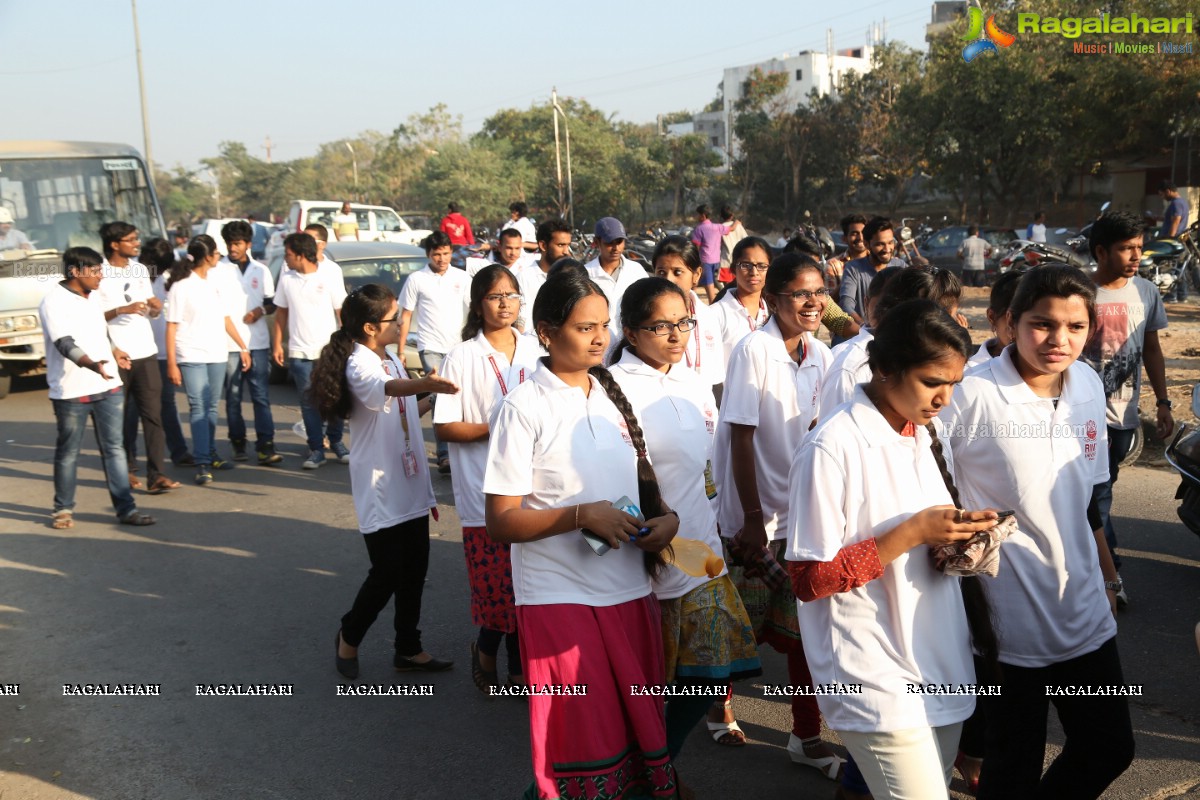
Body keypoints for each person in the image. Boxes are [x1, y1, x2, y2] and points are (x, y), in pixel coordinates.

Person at [483, 269, 682, 800]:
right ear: (546, 331)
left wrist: (668, 523)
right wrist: (578, 516)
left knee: (634, 733)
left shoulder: (614, 396)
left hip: (630, 591)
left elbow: (646, 492)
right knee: (579, 741)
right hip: (559, 598)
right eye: (583, 327)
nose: (599, 337)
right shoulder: (522, 407)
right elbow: (500, 520)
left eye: (603, 326)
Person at [788, 298, 996, 799]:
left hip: (937, 657)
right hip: (871, 668)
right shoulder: (831, 446)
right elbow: (808, 579)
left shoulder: (924, 433)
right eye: (931, 382)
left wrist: (958, 536)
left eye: (953, 384)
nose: (944, 398)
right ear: (883, 369)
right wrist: (912, 532)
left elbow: (921, 539)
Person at [943, 266, 1135, 799]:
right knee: (1012, 766)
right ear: (1010, 322)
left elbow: (1088, 504)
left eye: (1075, 326)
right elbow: (923, 479)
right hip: (1008, 620)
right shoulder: (971, 392)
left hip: (1083, 611)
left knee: (1108, 746)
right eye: (1042, 324)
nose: (1059, 339)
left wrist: (1109, 579)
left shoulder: (1089, 385)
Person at [608, 277, 762, 767]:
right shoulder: (610, 388)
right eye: (662, 326)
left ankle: (659, 766)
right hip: (645, 564)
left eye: (684, 323)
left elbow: (708, 469)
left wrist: (728, 524)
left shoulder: (693, 381)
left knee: (710, 676)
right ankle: (645, 775)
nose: (677, 335)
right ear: (630, 333)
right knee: (645, 689)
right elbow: (606, 477)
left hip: (702, 553)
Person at [713, 252, 842, 777]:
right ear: (772, 300)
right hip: (754, 515)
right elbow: (740, 435)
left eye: (819, 293)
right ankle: (716, 707)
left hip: (802, 517)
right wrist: (749, 516)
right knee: (735, 624)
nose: (812, 303)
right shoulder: (753, 350)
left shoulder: (823, 354)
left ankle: (805, 734)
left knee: (804, 631)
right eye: (799, 294)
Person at [310, 284, 460, 680]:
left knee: (415, 569)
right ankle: (350, 633)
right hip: (380, 482)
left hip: (408, 476)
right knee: (388, 571)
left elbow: (406, 406)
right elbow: (389, 391)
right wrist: (426, 384)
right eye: (395, 318)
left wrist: (438, 398)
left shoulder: (390, 355)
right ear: (371, 327)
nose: (401, 323)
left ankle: (408, 648)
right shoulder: (359, 363)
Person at [433, 265, 542, 693]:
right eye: (495, 296)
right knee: (498, 590)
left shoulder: (535, 349)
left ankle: (512, 663)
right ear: (479, 304)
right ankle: (489, 651)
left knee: (526, 586)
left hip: (533, 492)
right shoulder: (462, 357)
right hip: (484, 493)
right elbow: (444, 427)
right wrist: (499, 426)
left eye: (511, 295)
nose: (505, 304)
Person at [1081, 210, 1172, 608]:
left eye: (1139, 247)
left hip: (1123, 416)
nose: (1136, 256)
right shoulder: (1080, 291)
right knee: (1096, 494)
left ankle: (1093, 558)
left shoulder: (1147, 292)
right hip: (1080, 414)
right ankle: (1108, 572)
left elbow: (1152, 350)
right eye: (1126, 248)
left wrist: (1164, 402)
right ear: (1101, 250)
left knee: (1102, 491)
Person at [39, 246, 156, 529]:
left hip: (109, 385)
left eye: (101, 270)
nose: (101, 276)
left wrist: (115, 351)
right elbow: (64, 343)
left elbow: (101, 332)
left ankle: (126, 510)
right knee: (69, 452)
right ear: (75, 272)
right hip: (71, 390)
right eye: (95, 271)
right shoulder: (53, 302)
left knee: (114, 449)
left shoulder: (91, 297)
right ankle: (63, 510)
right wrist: (92, 364)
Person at [94, 221, 177, 495]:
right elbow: (91, 317)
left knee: (153, 416)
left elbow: (148, 310)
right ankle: (125, 470)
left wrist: (154, 308)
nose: (136, 243)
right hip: (115, 354)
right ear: (115, 244)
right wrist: (120, 309)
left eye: (136, 238)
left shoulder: (140, 270)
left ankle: (157, 475)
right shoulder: (98, 273)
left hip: (145, 352)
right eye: (130, 240)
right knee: (119, 418)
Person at [165, 235, 252, 485]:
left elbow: (225, 319)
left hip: (217, 353)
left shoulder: (212, 284)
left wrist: (242, 346)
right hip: (191, 354)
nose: (219, 257)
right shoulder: (181, 287)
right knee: (198, 407)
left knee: (211, 406)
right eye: (216, 253)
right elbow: (171, 327)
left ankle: (211, 454)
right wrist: (172, 363)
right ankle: (202, 462)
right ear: (207, 257)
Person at [272, 232, 349, 470]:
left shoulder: (328, 277)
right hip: (299, 352)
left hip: (329, 352)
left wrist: (348, 345)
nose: (286, 259)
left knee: (335, 399)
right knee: (308, 403)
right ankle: (316, 448)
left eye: (288, 255)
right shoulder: (287, 279)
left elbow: (341, 313)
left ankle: (336, 441)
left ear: (302, 255)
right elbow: (281, 313)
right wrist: (277, 344)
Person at [398, 230, 470, 474]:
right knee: (442, 395)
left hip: (458, 347)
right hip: (430, 347)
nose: (442, 258)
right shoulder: (416, 279)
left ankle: (461, 449)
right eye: (437, 254)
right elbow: (405, 315)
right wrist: (400, 348)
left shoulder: (462, 277)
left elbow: (475, 310)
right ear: (428, 255)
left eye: (446, 253)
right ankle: (444, 454)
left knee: (459, 396)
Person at [215, 220, 281, 465]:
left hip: (258, 342)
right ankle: (238, 443)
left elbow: (272, 302)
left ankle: (266, 445)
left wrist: (260, 312)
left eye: (238, 243)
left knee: (261, 396)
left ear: (248, 244)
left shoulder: (260, 270)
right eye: (230, 243)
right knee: (233, 398)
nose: (233, 248)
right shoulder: (217, 270)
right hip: (230, 344)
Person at [138, 238, 194, 466]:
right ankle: (128, 458)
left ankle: (178, 451)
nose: (159, 272)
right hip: (137, 352)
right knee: (135, 408)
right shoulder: (131, 277)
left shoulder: (167, 279)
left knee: (167, 404)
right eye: (157, 267)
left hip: (163, 352)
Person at [651, 236, 725, 394]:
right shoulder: (646, 320)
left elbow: (716, 377)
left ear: (697, 274)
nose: (668, 279)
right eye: (661, 272)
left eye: (677, 272)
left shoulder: (709, 317)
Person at [837, 216, 908, 336]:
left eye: (890, 243)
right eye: (879, 244)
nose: (887, 249)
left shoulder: (900, 266)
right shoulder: (853, 269)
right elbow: (846, 304)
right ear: (867, 244)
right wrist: (867, 329)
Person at [709, 236, 772, 365]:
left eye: (761, 266)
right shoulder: (715, 314)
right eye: (746, 265)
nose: (754, 272)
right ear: (733, 269)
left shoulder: (775, 312)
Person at [517, 219, 573, 329]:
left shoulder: (572, 275)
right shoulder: (524, 278)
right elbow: (520, 319)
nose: (566, 251)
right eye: (561, 245)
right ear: (543, 245)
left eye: (568, 245)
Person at [584, 217, 649, 311]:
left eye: (619, 242)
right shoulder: (586, 274)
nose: (616, 248)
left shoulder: (636, 271)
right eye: (609, 243)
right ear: (597, 242)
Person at [968, 269, 1022, 367]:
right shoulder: (970, 373)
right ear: (992, 317)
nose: (1024, 332)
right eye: (1013, 320)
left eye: (1042, 324)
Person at [691, 204, 735, 304]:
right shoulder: (718, 227)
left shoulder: (699, 229)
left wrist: (694, 260)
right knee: (695, 282)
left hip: (705, 261)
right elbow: (731, 228)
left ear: (703, 215)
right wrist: (737, 222)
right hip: (716, 261)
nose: (696, 217)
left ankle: (711, 307)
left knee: (710, 292)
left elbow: (695, 247)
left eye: (697, 215)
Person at [825, 213, 869, 293]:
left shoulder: (878, 261)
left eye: (863, 233)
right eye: (854, 234)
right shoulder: (833, 266)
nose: (860, 238)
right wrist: (849, 279)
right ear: (844, 239)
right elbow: (829, 302)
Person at [719, 205, 747, 287]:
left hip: (725, 258)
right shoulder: (738, 226)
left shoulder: (721, 227)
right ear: (732, 216)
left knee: (727, 286)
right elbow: (745, 239)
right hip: (738, 257)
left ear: (721, 216)